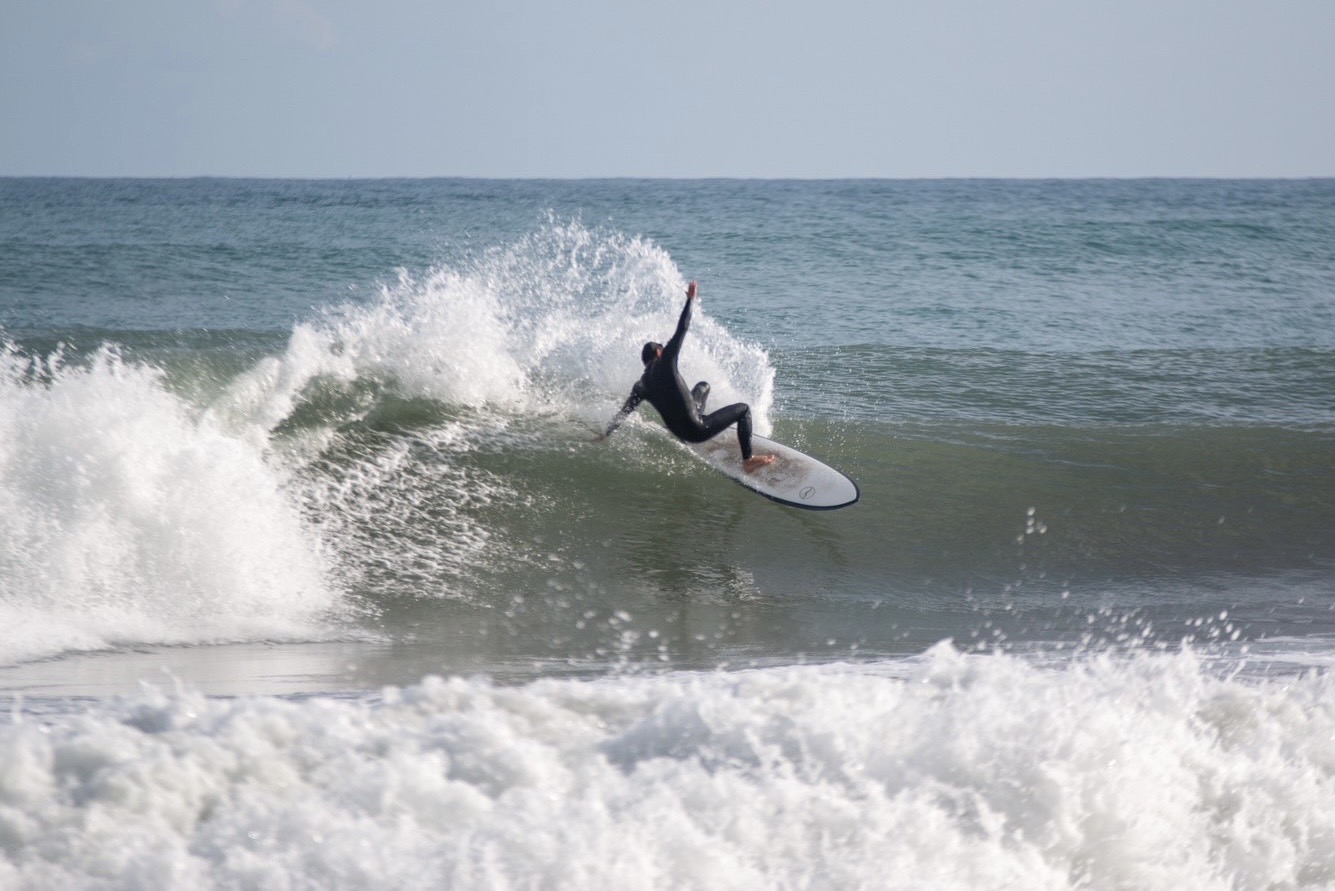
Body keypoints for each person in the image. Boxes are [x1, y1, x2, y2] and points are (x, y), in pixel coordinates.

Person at [594, 281, 775, 473]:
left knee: (703, 386)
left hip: (679, 432)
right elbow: (683, 327)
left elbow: (623, 413)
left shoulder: (640, 386)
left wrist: (605, 435)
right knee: (743, 409)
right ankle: (748, 460)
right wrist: (690, 300)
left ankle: (695, 419)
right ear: (658, 353)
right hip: (698, 430)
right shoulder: (665, 361)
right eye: (662, 348)